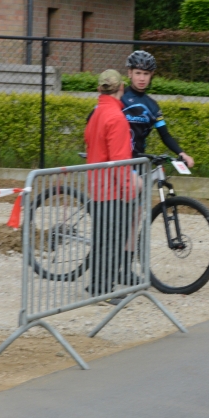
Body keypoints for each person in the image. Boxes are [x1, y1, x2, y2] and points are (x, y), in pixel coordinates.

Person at [84, 69, 139, 300]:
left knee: (100, 239)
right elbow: (120, 160)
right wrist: (129, 191)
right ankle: (103, 289)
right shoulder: (116, 118)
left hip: (96, 188)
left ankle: (96, 285)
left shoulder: (97, 113)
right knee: (114, 240)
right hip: (113, 191)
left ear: (99, 89)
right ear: (122, 89)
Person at [122, 50, 195, 167]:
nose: (142, 78)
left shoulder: (153, 106)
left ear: (151, 75)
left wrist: (182, 154)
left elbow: (164, 135)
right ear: (130, 73)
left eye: (146, 74)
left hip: (138, 162)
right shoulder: (119, 97)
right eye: (138, 73)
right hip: (118, 161)